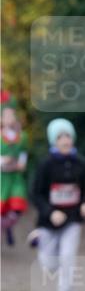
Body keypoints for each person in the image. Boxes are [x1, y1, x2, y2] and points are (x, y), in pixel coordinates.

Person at [31, 119, 85, 291]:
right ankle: (38, 238)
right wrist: (50, 212)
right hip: (48, 222)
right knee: (50, 265)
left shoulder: (81, 163)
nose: (65, 140)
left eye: (68, 136)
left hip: (73, 220)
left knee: (68, 258)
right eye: (60, 137)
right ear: (54, 141)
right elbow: (35, 194)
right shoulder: (46, 165)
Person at [1, 102, 29, 246]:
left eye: (11, 115)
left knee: (17, 207)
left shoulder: (22, 136)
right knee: (2, 208)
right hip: (2, 178)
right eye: (6, 115)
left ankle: (6, 227)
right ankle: (6, 228)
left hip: (15, 177)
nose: (9, 118)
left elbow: (24, 151)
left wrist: (22, 162)